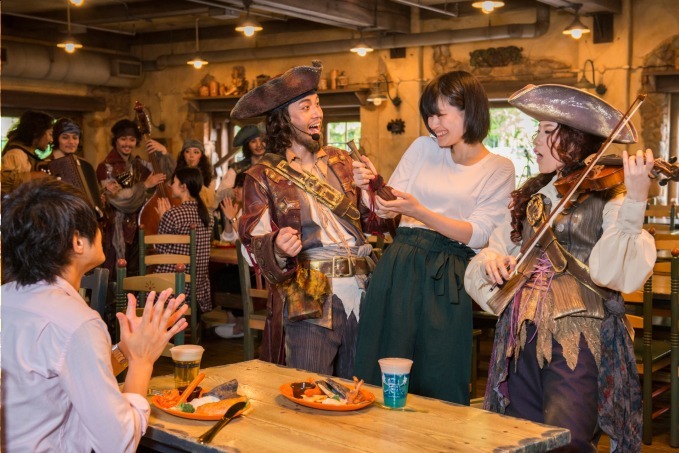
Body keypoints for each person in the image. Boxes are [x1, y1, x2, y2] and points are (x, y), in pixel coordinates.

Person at [463, 84, 654, 451]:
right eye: (537, 131)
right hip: (519, 332)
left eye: (547, 132)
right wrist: (493, 262)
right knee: (516, 433)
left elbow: (614, 274)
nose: (535, 140)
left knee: (566, 436)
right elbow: (496, 248)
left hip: (578, 335)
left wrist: (636, 200)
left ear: (575, 140)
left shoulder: (610, 197)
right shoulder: (532, 194)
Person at [352, 70, 515, 404]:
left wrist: (421, 211)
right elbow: (389, 208)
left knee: (438, 370)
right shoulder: (423, 148)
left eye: (441, 114)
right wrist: (371, 189)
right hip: (398, 264)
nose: (433, 123)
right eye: (429, 114)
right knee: (381, 363)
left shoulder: (499, 168)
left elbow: (479, 234)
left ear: (470, 110)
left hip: (448, 273)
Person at [1, 178, 188, 452]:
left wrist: (126, 349)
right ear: (78, 241)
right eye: (97, 225)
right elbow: (117, 443)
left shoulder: (8, 297)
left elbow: (50, 379)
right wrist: (142, 361)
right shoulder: (76, 322)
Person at [232, 62, 381, 378]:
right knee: (309, 391)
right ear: (283, 119)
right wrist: (277, 247)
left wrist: (371, 193)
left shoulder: (342, 161)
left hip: (363, 291)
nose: (318, 114)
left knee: (363, 394)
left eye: (318, 105)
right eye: (306, 107)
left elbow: (375, 224)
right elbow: (251, 247)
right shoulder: (261, 177)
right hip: (309, 298)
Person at [96, 119, 175, 278]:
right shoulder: (106, 167)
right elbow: (118, 199)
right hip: (117, 229)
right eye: (123, 139)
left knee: (137, 272)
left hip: (140, 225)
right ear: (115, 140)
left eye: (132, 140)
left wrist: (164, 152)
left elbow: (164, 175)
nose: (127, 143)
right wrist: (144, 185)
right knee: (117, 271)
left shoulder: (138, 163)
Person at [155, 166, 214, 314]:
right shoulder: (209, 216)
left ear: (183, 186)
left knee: (140, 287)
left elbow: (159, 251)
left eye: (174, 182)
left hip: (172, 289)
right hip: (198, 290)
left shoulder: (173, 215)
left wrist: (163, 218)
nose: (170, 186)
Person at [1, 110, 54, 196]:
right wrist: (33, 176)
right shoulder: (16, 154)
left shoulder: (28, 153)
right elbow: (4, 184)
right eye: (50, 134)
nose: (51, 140)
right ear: (36, 133)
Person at [215, 124, 264, 203]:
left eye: (261, 140)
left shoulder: (274, 164)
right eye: (253, 141)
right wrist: (239, 191)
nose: (259, 145)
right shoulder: (237, 169)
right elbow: (220, 194)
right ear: (247, 146)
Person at [219, 171, 245, 243]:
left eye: (239, 186)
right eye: (235, 186)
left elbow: (247, 240)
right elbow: (227, 239)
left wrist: (232, 218)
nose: (235, 190)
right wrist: (229, 218)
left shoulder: (257, 212)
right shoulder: (241, 211)